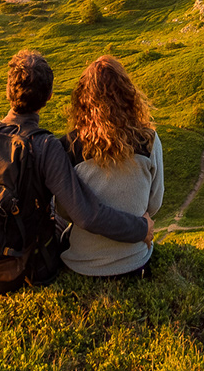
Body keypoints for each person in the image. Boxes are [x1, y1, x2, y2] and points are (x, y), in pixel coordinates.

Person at [0, 49, 152, 293]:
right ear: (49, 97)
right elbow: (86, 215)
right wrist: (141, 228)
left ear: (8, 92)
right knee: (58, 221)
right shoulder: (46, 147)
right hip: (23, 270)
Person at [61, 54, 163, 279]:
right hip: (135, 263)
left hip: (81, 265)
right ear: (128, 95)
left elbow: (64, 210)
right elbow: (154, 205)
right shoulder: (149, 141)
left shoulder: (68, 146)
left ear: (83, 100)